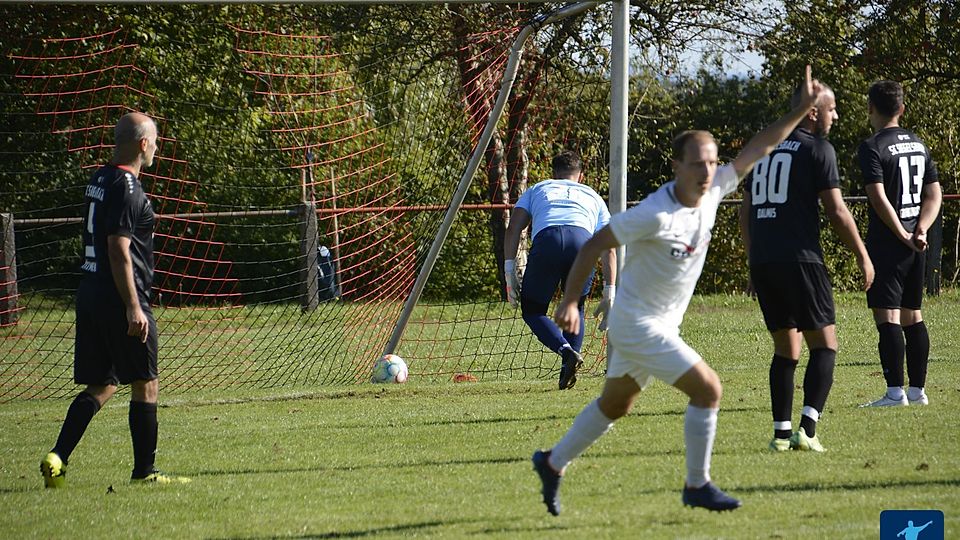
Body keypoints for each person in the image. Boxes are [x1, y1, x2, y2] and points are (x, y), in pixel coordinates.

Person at [531, 66, 825, 514]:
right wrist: (570, 301)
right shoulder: (654, 213)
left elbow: (759, 147)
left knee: (615, 405)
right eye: (697, 163)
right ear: (677, 167)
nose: (708, 170)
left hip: (659, 321)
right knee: (708, 389)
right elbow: (593, 244)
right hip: (637, 323)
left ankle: (552, 463)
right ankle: (697, 484)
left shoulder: (713, 190)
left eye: (712, 161)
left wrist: (801, 110)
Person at [40, 112, 190, 487]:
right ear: (143, 144)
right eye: (154, 140)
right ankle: (145, 472)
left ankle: (57, 456)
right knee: (146, 381)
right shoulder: (127, 186)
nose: (157, 147)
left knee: (103, 384)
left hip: (90, 292)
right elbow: (119, 248)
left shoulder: (100, 178)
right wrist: (133, 305)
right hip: (119, 296)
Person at [739, 83, 874, 452]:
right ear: (812, 112)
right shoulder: (818, 149)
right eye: (832, 109)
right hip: (801, 260)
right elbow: (836, 210)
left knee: (786, 349)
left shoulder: (765, 148)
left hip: (766, 261)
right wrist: (862, 254)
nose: (836, 116)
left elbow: (745, 212)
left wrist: (753, 261)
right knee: (825, 345)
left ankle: (781, 436)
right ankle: (808, 430)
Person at [857, 81, 942, 408]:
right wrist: (920, 228)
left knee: (888, 317)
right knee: (913, 315)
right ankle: (918, 392)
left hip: (888, 243)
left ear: (870, 108)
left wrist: (901, 233)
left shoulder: (872, 146)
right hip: (914, 244)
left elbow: (878, 198)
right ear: (902, 109)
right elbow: (933, 192)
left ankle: (895, 393)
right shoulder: (918, 144)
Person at [504, 150, 616, 390]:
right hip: (582, 244)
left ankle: (566, 352)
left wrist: (509, 268)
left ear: (554, 174)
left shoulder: (538, 188)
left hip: (548, 241)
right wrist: (610, 290)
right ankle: (571, 360)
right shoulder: (593, 195)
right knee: (575, 307)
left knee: (533, 310)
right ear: (581, 175)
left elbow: (514, 228)